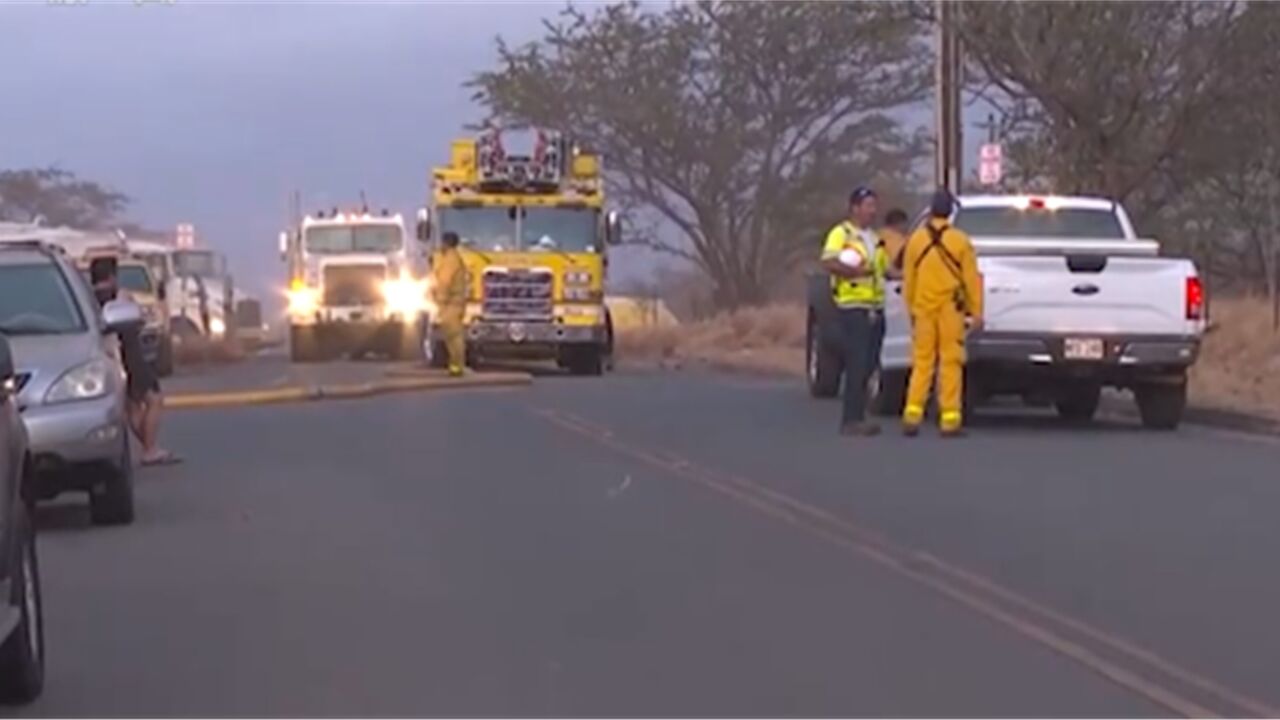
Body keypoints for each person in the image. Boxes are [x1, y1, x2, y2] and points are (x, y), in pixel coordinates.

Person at [900, 189, 983, 438]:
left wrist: (911, 310)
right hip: (950, 310)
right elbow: (971, 280)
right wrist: (976, 312)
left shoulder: (915, 241)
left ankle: (912, 415)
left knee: (922, 362)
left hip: (923, 309)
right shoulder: (960, 241)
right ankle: (950, 420)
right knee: (950, 362)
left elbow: (909, 279)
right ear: (950, 211)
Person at [88, 256, 181, 465]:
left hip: (107, 358)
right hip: (131, 356)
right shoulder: (121, 297)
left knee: (132, 407)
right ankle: (150, 449)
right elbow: (139, 320)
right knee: (154, 399)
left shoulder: (88, 301)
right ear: (112, 276)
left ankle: (149, 446)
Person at [820, 186, 890, 436]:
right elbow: (828, 261)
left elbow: (884, 270)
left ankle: (859, 416)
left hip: (874, 306)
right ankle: (851, 419)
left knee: (870, 363)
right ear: (855, 208)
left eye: (875, 205)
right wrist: (855, 272)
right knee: (857, 362)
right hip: (853, 307)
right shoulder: (842, 233)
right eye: (868, 205)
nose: (873, 210)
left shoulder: (873, 237)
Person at [430, 231, 468, 377]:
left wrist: (440, 300)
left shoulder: (450, 260)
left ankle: (457, 367)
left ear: (446, 243)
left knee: (453, 336)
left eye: (442, 242)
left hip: (451, 304)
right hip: (455, 303)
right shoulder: (454, 258)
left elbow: (445, 282)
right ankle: (456, 366)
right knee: (454, 336)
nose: (441, 246)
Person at [880, 208, 910, 278]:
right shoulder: (899, 240)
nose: (906, 227)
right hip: (895, 280)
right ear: (898, 224)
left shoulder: (875, 237)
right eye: (904, 224)